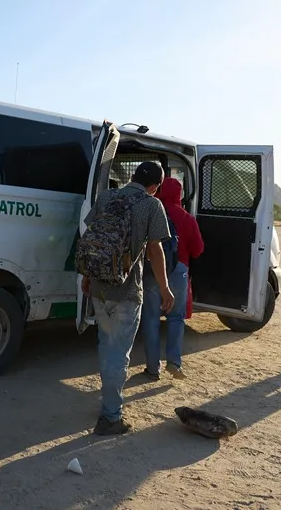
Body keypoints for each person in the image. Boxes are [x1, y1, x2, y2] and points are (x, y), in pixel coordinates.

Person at [79, 161, 174, 435]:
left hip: (98, 287)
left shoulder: (107, 196)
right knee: (118, 354)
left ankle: (109, 402)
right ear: (155, 186)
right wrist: (166, 289)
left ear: (132, 176)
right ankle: (110, 416)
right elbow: (155, 251)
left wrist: (87, 275)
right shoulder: (151, 205)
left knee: (106, 346)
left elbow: (93, 236)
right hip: (127, 291)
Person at [140, 176, 204, 380]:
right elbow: (198, 250)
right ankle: (174, 363)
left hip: (151, 271)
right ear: (180, 195)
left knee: (150, 319)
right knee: (176, 318)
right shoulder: (186, 218)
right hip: (178, 272)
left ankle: (152, 368)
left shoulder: (151, 210)